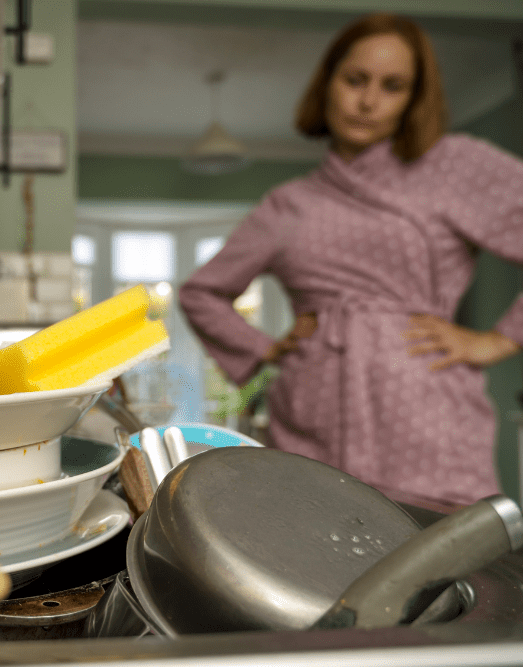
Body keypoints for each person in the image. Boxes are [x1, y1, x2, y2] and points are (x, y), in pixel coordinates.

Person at [178, 12, 523, 507]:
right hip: (311, 424)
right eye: (355, 80)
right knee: (313, 559)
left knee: (445, 569)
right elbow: (201, 293)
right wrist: (265, 348)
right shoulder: (288, 204)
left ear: (413, 99)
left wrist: (496, 340)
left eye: (393, 86)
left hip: (429, 423)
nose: (367, 101)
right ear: (328, 84)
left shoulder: (454, 166)